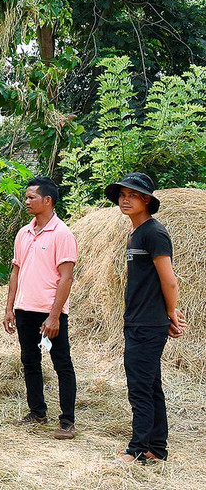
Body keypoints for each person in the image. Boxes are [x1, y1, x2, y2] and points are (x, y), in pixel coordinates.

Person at [105, 173, 187, 464]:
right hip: (138, 320)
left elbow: (170, 281)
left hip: (148, 323)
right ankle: (156, 448)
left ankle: (137, 449)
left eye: (133, 195)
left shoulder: (154, 233)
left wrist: (171, 313)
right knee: (150, 386)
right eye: (122, 194)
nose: (125, 199)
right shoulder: (136, 233)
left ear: (147, 201)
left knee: (139, 388)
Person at [3, 177, 78, 439]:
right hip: (25, 309)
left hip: (50, 312)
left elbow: (66, 277)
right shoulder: (23, 233)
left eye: (31, 197)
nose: (26, 201)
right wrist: (9, 308)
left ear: (48, 200)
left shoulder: (62, 234)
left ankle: (67, 421)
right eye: (26, 197)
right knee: (30, 361)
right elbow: (15, 272)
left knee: (61, 364)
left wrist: (55, 315)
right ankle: (37, 411)